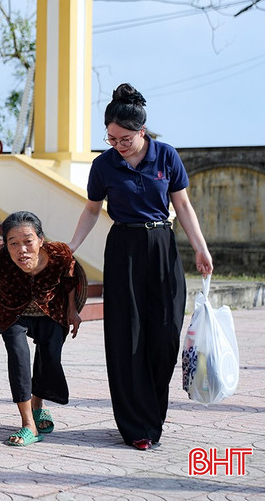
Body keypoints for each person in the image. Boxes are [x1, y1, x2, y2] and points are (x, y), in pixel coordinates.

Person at [68, 83, 213, 451]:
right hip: (124, 249)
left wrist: (200, 248)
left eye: (125, 139)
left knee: (164, 335)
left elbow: (182, 206)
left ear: (142, 132)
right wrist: (71, 247)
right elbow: (91, 210)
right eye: (112, 137)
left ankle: (153, 413)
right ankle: (136, 425)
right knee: (126, 336)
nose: (118, 144)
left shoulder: (166, 157)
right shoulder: (104, 165)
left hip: (163, 248)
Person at [0, 211, 82, 447]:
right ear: (5, 245)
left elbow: (70, 277)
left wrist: (72, 310)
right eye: (14, 243)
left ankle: (38, 404)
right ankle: (28, 424)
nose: (22, 250)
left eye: (28, 241)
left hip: (50, 311)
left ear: (41, 239)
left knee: (50, 357)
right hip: (11, 312)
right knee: (19, 357)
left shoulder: (59, 254)